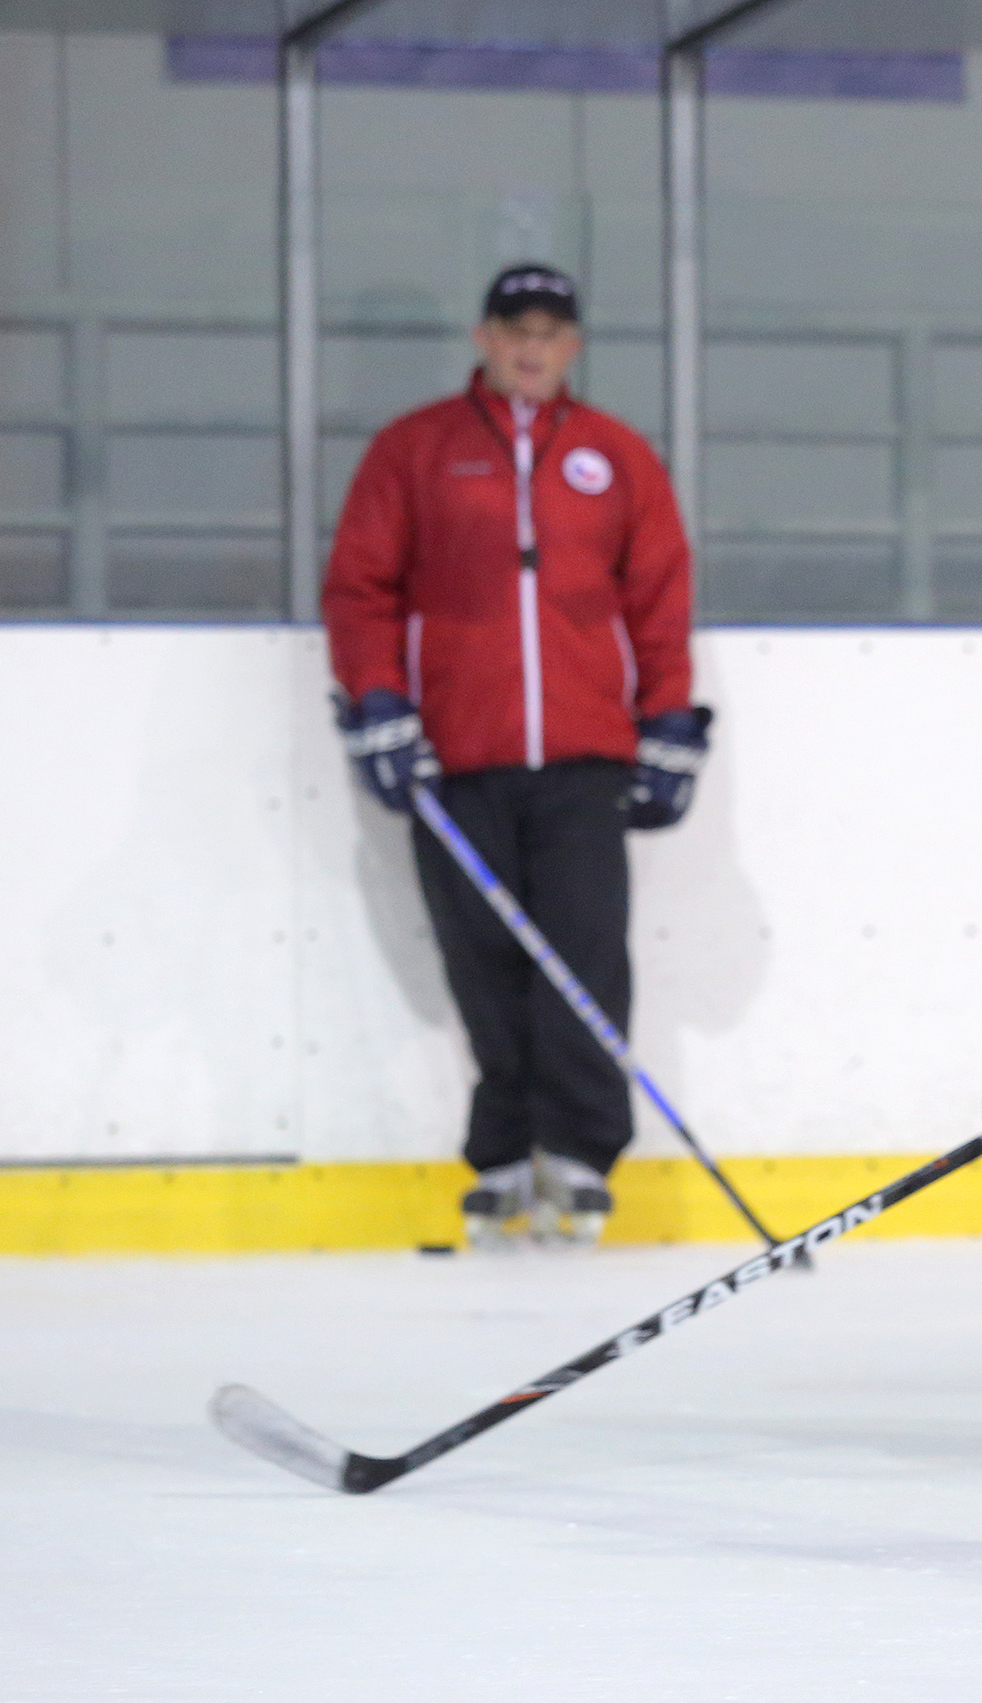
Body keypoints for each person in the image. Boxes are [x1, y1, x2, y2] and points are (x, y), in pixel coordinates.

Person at [323, 264, 710, 1250]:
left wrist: (668, 722)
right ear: (483, 336)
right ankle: (502, 1152)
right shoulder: (415, 451)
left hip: (585, 757)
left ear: (572, 346)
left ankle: (580, 1152)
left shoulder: (617, 458)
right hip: (458, 755)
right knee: (482, 958)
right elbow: (361, 586)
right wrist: (379, 703)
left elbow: (658, 599)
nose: (531, 347)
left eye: (550, 331)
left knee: (582, 955)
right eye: (514, 329)